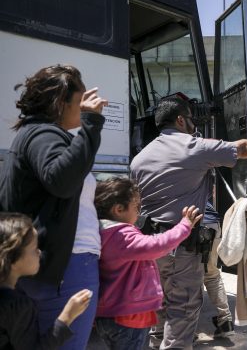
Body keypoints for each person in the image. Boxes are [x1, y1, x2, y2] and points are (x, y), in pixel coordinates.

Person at [130, 95, 247, 349]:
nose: (192, 125)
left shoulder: (139, 159)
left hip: (150, 247)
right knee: (183, 310)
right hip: (181, 246)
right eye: (189, 119)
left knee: (160, 306)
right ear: (180, 120)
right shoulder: (194, 147)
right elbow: (241, 149)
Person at [0, 64, 107, 349]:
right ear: (62, 103)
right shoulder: (44, 135)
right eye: (80, 101)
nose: (84, 106)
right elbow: (62, 180)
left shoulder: (33, 135)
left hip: (50, 266)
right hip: (65, 267)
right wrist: (91, 123)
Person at [93, 177, 202, 350]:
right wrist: (184, 226)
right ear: (119, 209)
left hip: (111, 315)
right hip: (128, 317)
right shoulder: (121, 235)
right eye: (136, 205)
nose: (139, 210)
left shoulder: (102, 232)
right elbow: (156, 245)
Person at [0, 213, 93, 349]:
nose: (39, 252)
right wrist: (67, 317)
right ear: (12, 260)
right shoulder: (17, 306)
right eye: (33, 249)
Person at [202, 202, 235, 339]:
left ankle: (188, 328)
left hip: (191, 221)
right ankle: (225, 321)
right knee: (212, 275)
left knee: (190, 276)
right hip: (212, 221)